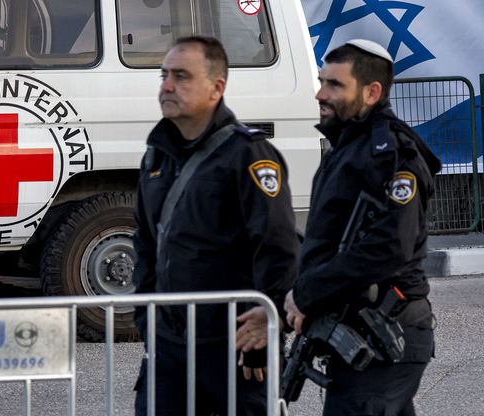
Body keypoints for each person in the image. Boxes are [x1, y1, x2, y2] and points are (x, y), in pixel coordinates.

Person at [132, 36, 299, 416]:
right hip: (169, 345)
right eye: (164, 76)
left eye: (181, 76)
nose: (167, 86)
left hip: (233, 347)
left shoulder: (248, 155)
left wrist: (264, 337)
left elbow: (277, 247)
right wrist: (146, 319)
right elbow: (144, 240)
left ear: (216, 87)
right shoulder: (157, 156)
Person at [280, 39, 439, 416]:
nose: (320, 93)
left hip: (385, 334)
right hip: (359, 336)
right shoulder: (348, 149)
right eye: (321, 82)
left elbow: (388, 247)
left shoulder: (392, 155)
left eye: (335, 84)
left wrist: (307, 291)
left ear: (371, 92)